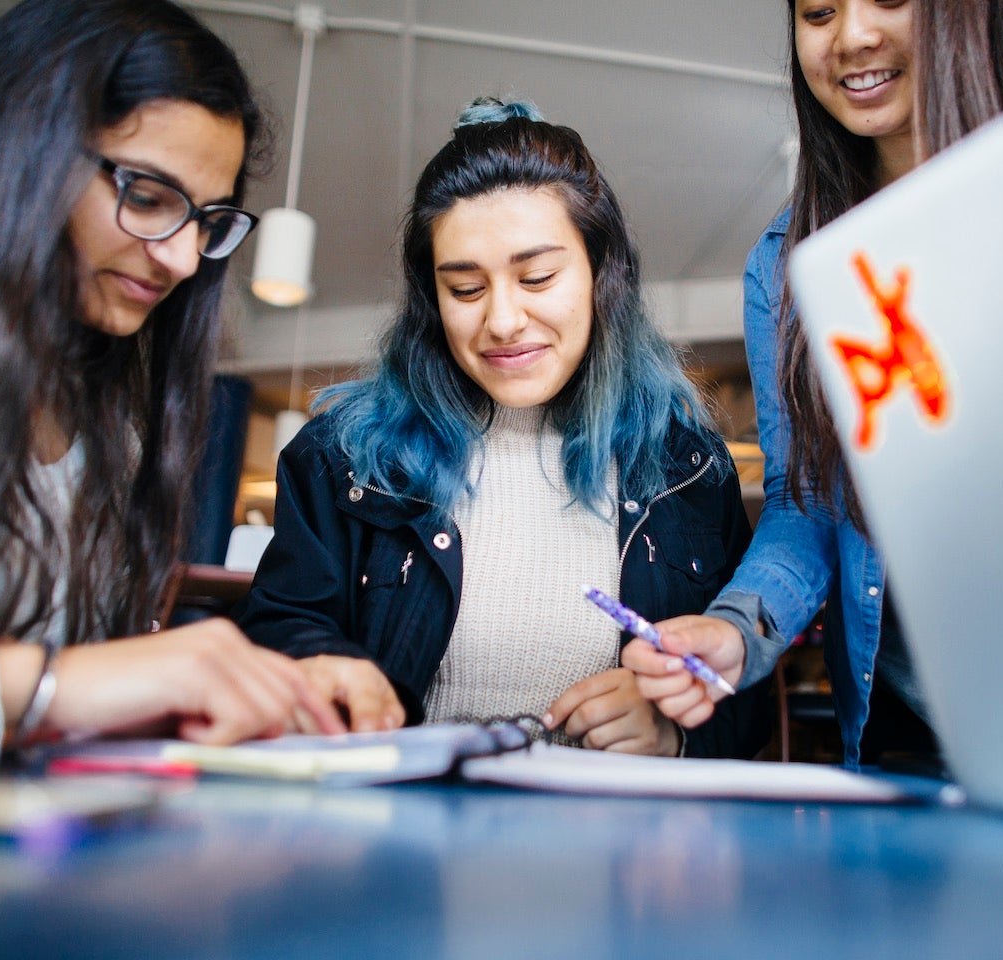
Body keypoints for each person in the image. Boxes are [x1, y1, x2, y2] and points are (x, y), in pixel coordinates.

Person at [0, 0, 342, 778]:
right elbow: (57, 690)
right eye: (146, 197)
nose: (184, 259)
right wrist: (52, 685)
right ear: (19, 146)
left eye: (207, 220)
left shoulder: (112, 433)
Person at [235, 98, 770, 758]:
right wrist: (322, 675)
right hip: (404, 814)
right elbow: (278, 633)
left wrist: (674, 730)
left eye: (536, 277)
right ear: (431, 300)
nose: (503, 321)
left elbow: (745, 700)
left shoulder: (687, 468)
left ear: (603, 275)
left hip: (611, 822)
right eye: (465, 289)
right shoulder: (340, 458)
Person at [624, 0, 1003, 768]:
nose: (852, 36)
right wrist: (735, 630)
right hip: (914, 732)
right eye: (820, 11)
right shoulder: (788, 266)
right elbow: (806, 502)